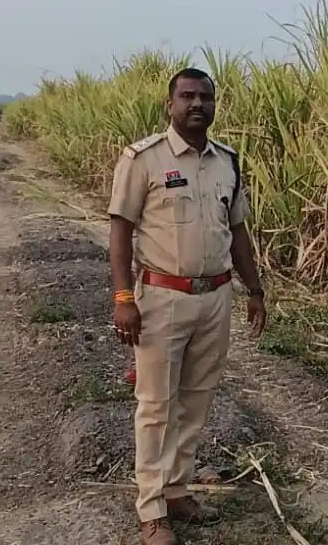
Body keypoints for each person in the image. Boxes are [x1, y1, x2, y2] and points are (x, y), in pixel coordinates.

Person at [108, 67, 267, 545]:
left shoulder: (227, 162)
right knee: (156, 405)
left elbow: (237, 231)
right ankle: (152, 509)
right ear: (170, 104)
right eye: (188, 96)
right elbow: (120, 230)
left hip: (215, 298)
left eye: (206, 97)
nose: (198, 104)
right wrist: (122, 298)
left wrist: (254, 289)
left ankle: (177, 488)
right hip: (161, 298)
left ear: (215, 105)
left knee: (196, 400)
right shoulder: (144, 159)